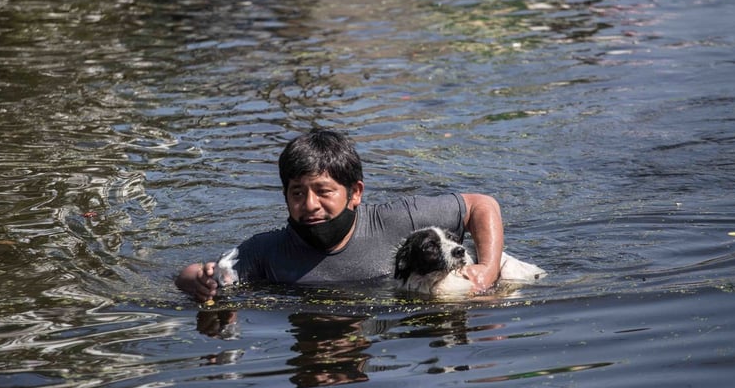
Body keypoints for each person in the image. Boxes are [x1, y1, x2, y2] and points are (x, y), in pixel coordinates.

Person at [175, 128, 504, 302]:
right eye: (297, 193)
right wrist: (199, 281)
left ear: (355, 193)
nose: (310, 204)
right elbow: (192, 273)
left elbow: (480, 204)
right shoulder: (268, 251)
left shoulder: (396, 220)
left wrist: (486, 272)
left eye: (323, 191)